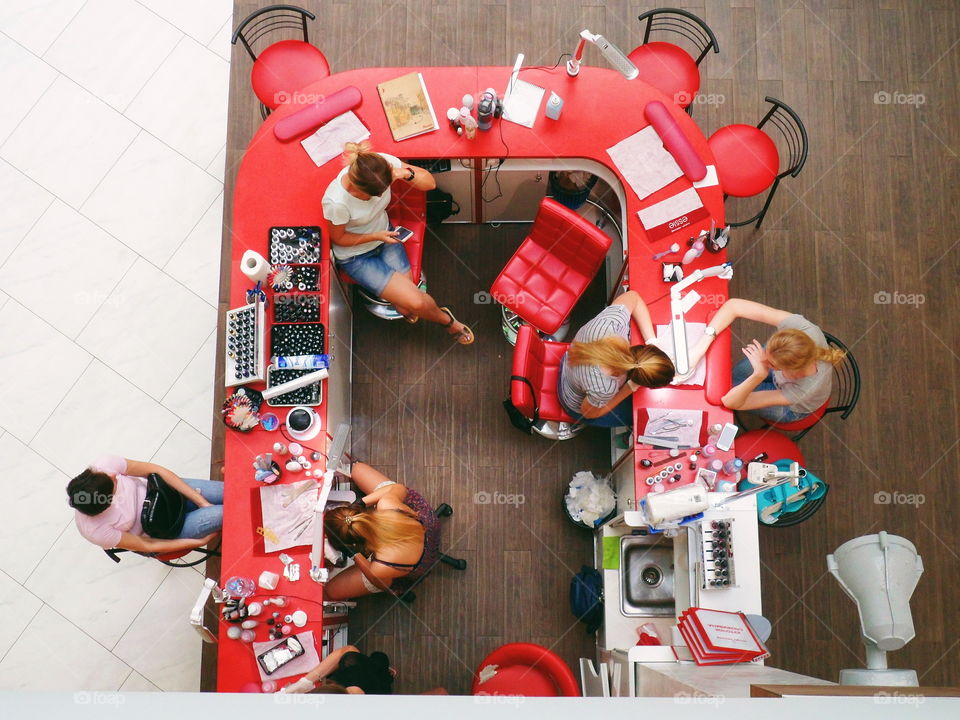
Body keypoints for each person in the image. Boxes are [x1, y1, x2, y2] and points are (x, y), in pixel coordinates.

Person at [322, 141, 474, 344]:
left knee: (409, 306)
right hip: (356, 255)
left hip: (385, 235)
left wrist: (406, 173)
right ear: (358, 189)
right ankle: (447, 321)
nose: (381, 195)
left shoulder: (380, 165)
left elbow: (429, 183)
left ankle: (428, 312)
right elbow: (339, 238)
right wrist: (376, 236)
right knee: (413, 303)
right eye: (375, 195)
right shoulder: (337, 203)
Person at [684, 298, 846, 422]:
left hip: (792, 407)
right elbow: (734, 305)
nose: (762, 359)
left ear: (788, 370)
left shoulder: (805, 390)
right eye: (767, 351)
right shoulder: (802, 329)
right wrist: (700, 348)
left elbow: (730, 402)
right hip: (784, 374)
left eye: (771, 364)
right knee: (729, 381)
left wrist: (759, 375)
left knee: (725, 391)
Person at [322, 463, 440, 600]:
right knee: (358, 469)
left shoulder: (381, 565)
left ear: (354, 543)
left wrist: (354, 554)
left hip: (423, 556)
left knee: (331, 592)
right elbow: (400, 489)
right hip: (423, 525)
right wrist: (362, 502)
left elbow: (384, 584)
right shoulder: (387, 505)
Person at [558, 291, 675, 426]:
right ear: (636, 378)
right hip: (570, 395)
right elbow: (588, 413)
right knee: (640, 417)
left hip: (572, 362)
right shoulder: (605, 388)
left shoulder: (610, 325)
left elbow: (633, 297)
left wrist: (652, 340)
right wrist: (629, 388)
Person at [67, 456, 222, 553]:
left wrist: (201, 501)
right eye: (113, 482)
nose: (113, 475)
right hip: (169, 527)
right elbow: (149, 545)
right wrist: (199, 542)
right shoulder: (95, 531)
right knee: (224, 513)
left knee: (228, 492)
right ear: (108, 501)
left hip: (169, 491)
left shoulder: (102, 466)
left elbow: (156, 470)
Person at [279, 644, 447, 695]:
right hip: (379, 692)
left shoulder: (353, 673)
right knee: (379, 658)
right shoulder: (354, 676)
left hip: (372, 682)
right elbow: (348, 651)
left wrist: (305, 682)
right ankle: (383, 671)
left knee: (379, 658)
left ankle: (383, 670)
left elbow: (348, 652)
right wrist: (306, 682)